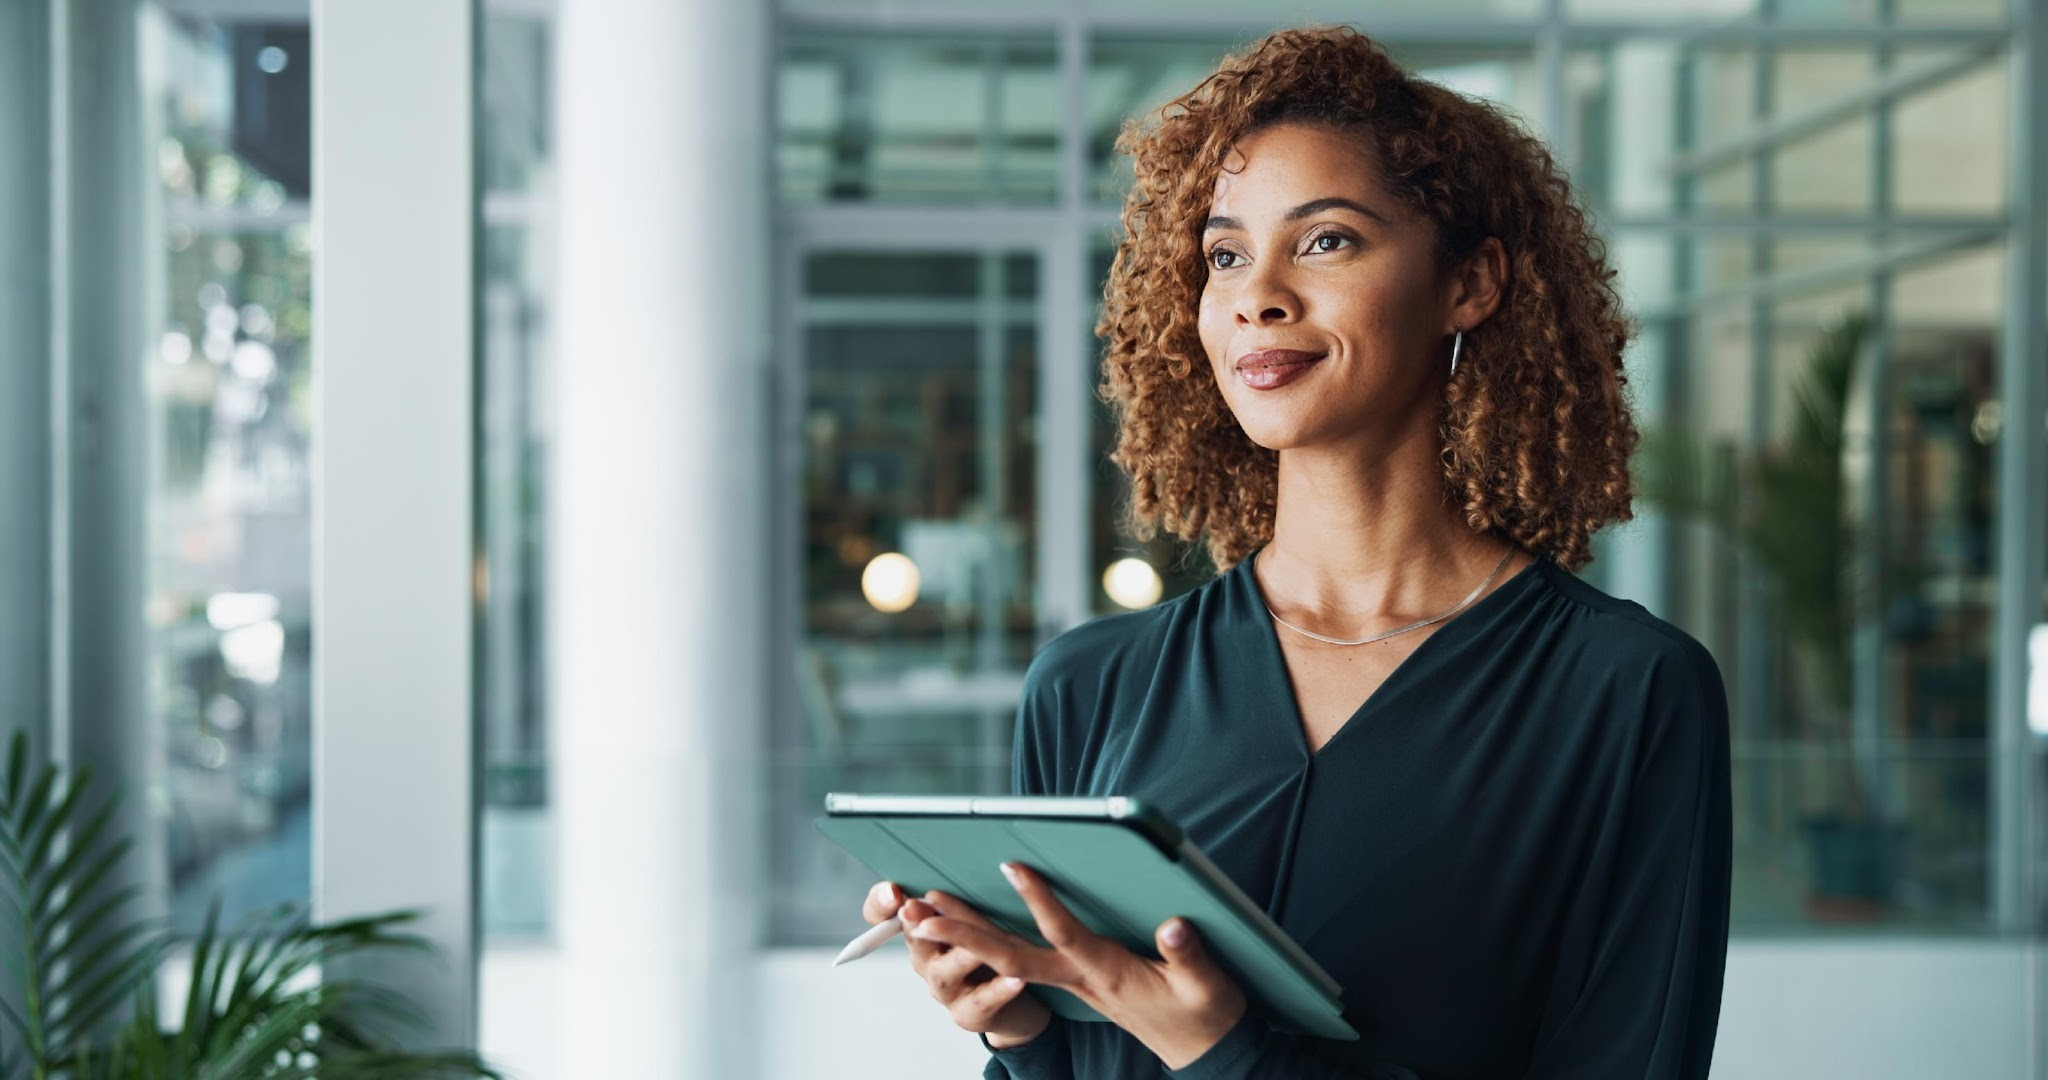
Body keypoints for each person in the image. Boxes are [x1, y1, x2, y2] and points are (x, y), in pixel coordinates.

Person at [858, 24, 1731, 1079]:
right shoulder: (1090, 688)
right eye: (1224, 254)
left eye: (1325, 240)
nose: (1255, 294)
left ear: (1470, 283)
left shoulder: (1624, 694)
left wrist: (1222, 1050)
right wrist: (1019, 1026)